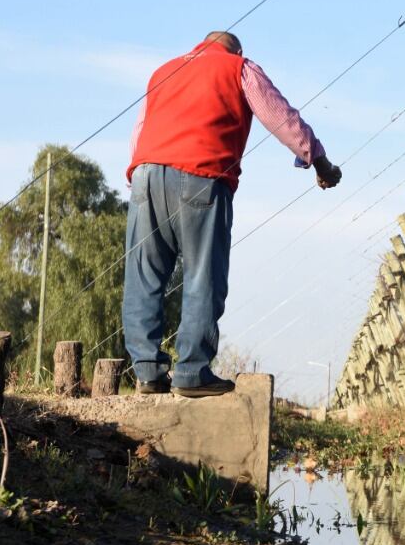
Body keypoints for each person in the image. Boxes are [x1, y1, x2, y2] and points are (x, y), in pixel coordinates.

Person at [123, 31, 341, 397]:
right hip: (202, 175)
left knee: (143, 276)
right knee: (203, 276)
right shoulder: (239, 68)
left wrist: (141, 181)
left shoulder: (163, 71)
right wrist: (318, 160)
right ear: (237, 50)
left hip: (145, 174)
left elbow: (140, 129)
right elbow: (280, 116)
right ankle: (192, 372)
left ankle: (147, 373)